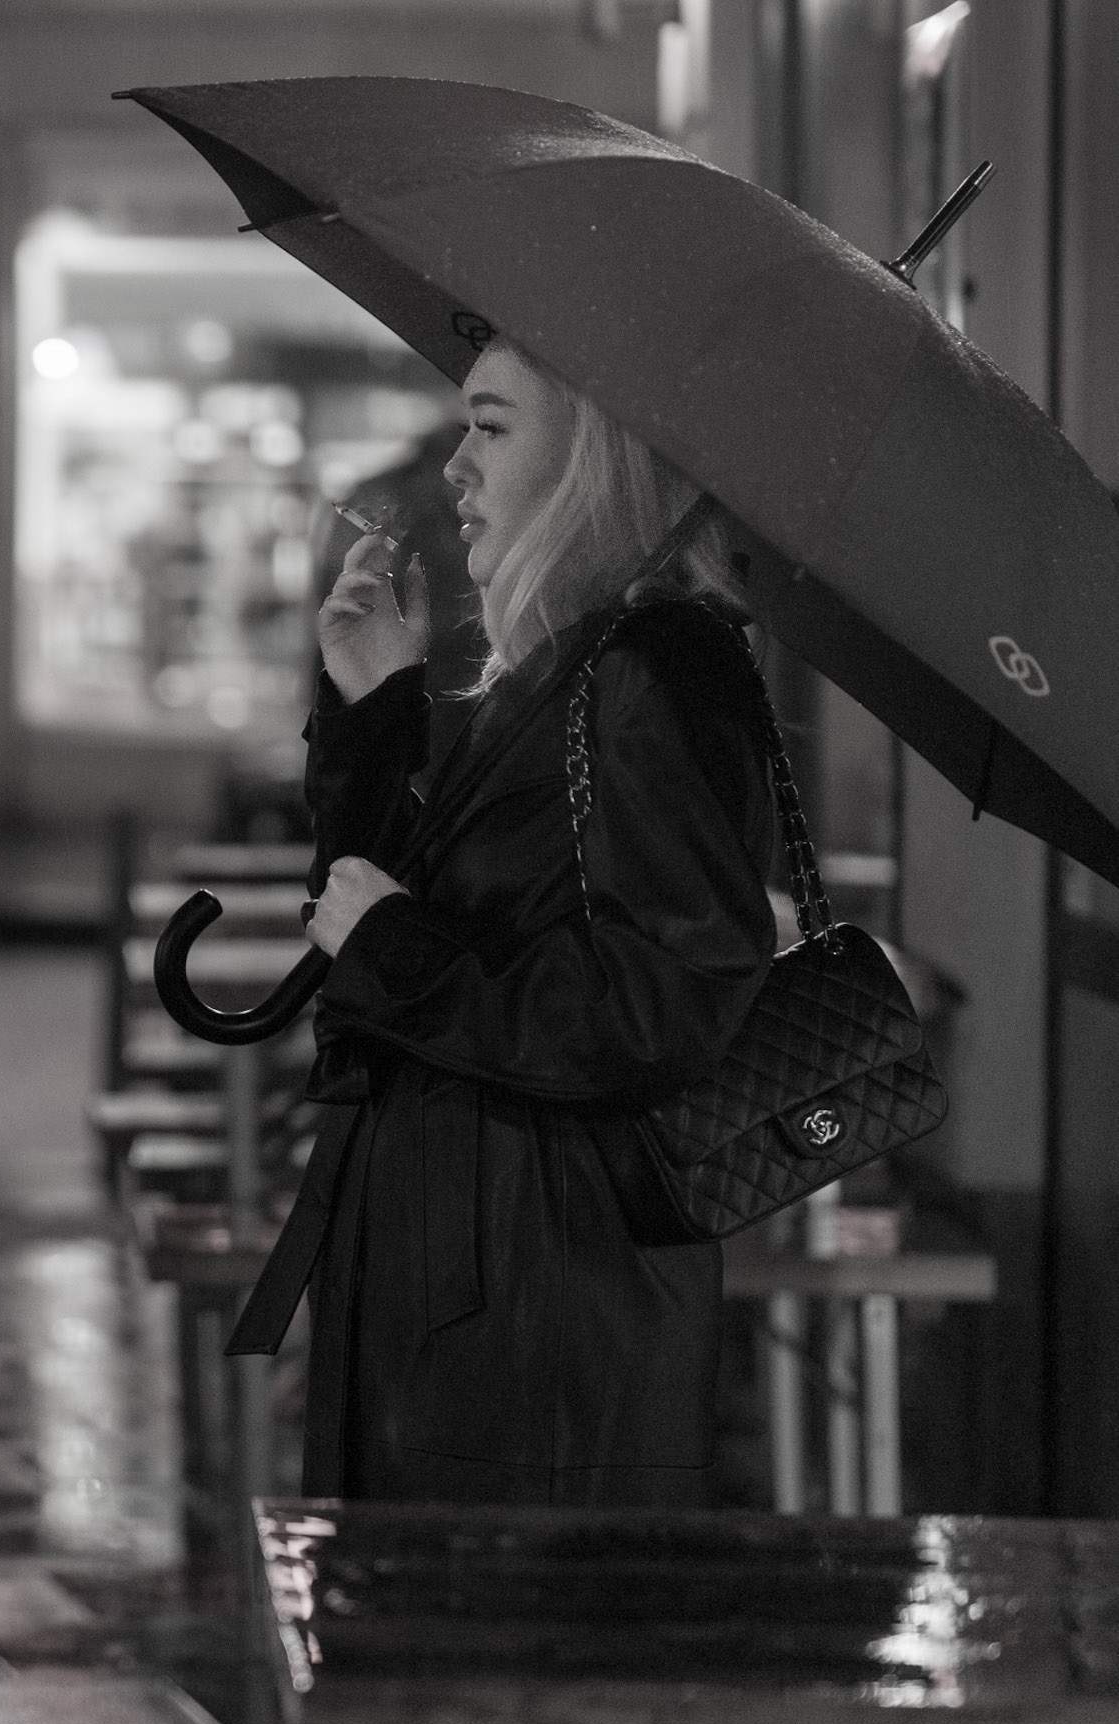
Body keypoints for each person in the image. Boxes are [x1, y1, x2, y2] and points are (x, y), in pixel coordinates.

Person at [229, 335, 776, 1513]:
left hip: (542, 1295)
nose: (455, 469)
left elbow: (664, 1002)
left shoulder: (650, 670)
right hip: (473, 1262)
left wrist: (399, 950)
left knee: (492, 1614)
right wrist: (375, 704)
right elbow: (367, 925)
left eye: (490, 426)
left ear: (592, 453)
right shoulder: (570, 669)